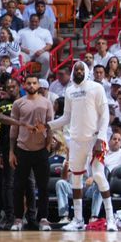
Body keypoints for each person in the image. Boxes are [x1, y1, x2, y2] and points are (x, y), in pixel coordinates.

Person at [48, 61, 114, 232]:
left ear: (86, 71)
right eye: (75, 69)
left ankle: (111, 219)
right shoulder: (69, 91)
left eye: (81, 69)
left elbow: (105, 115)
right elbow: (66, 117)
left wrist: (101, 137)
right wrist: (48, 126)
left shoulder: (96, 88)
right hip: (76, 141)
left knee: (98, 175)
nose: (78, 71)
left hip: (95, 140)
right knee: (75, 178)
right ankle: (78, 220)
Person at [8, 76, 54, 231]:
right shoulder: (18, 103)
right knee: (18, 186)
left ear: (39, 85)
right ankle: (18, 218)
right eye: (29, 83)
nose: (32, 85)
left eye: (34, 83)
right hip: (22, 149)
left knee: (43, 187)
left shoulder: (47, 102)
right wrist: (11, 152)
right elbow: (13, 129)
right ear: (24, 85)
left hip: (41, 150)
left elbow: (51, 126)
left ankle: (43, 218)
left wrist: (48, 144)